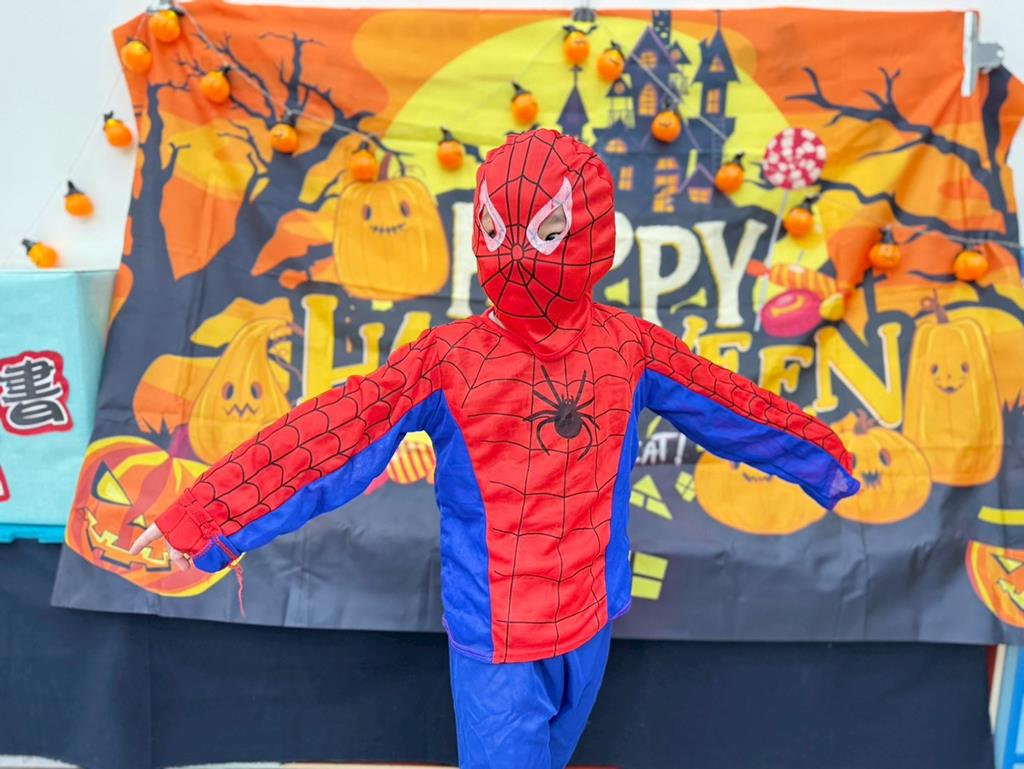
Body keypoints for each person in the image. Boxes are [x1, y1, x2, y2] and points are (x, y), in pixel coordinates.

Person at [132, 128, 859, 769]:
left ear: (592, 234)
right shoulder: (449, 360)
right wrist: (202, 516)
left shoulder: (630, 348)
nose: (515, 254)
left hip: (592, 613)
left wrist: (821, 457)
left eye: (542, 231)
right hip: (497, 640)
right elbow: (332, 434)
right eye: (498, 230)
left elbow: (730, 405)